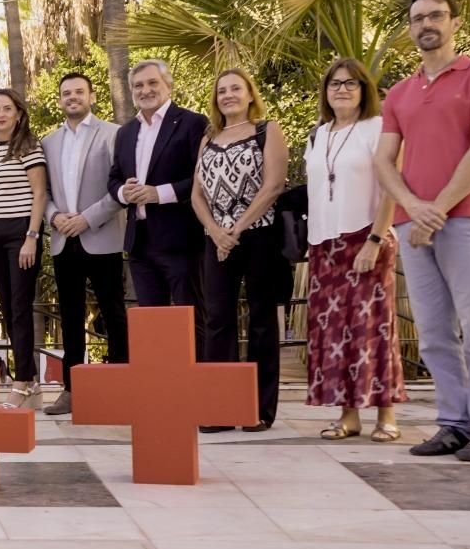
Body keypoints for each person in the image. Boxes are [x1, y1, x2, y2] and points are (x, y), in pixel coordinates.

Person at [375, 0, 470, 462]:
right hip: (413, 227)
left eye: (435, 15)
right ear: (410, 28)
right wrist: (414, 206)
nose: (425, 24)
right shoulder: (399, 92)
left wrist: (438, 208)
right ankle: (453, 423)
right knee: (433, 333)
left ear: (454, 22)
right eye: (417, 18)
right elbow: (384, 161)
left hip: (468, 220)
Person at [305, 58, 407, 442]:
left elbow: (389, 189)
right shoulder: (317, 135)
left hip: (366, 238)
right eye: (334, 83)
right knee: (335, 333)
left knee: (374, 329)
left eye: (351, 83)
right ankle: (348, 416)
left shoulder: (378, 129)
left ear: (364, 89)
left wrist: (375, 240)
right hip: (324, 245)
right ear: (325, 92)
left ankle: (387, 414)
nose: (342, 89)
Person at [192, 69, 288, 433]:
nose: (228, 95)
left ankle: (259, 409)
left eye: (236, 88)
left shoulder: (268, 130)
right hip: (216, 241)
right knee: (217, 319)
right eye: (222, 90)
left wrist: (238, 228)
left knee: (262, 320)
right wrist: (216, 232)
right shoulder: (209, 137)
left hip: (259, 235)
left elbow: (274, 184)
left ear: (250, 94)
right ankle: (220, 407)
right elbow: (196, 195)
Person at [40, 72, 129, 416]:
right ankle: (71, 389)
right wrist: (54, 216)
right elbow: (42, 193)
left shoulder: (113, 135)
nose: (72, 97)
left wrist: (87, 218)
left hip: (102, 237)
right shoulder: (49, 142)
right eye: (66, 93)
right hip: (64, 240)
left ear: (91, 95)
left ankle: (122, 385)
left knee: (113, 312)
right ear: (60, 99)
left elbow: (119, 189)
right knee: (70, 316)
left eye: (79, 91)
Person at [110, 59, 207, 309]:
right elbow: (113, 179)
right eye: (138, 85)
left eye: (153, 82)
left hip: (181, 240)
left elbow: (203, 177)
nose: (145, 90)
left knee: (192, 317)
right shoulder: (125, 132)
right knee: (153, 325)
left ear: (169, 85)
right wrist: (124, 192)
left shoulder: (192, 123)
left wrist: (158, 194)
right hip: (140, 243)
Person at [0, 87, 47, 406]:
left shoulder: (29, 147)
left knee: (20, 308)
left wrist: (32, 237)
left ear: (18, 114)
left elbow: (39, 194)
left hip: (22, 233)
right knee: (8, 308)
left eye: (7, 109)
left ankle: (21, 381)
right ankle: (30, 378)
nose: (1, 114)